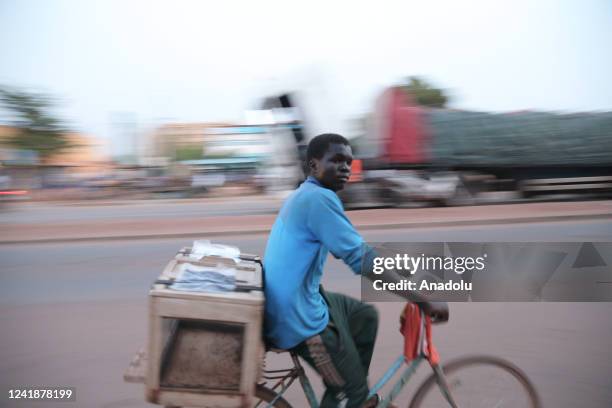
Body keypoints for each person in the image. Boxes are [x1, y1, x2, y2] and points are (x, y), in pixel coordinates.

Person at [263, 133, 448, 408]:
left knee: (365, 317)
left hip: (301, 299)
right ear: (313, 166)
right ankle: (350, 393)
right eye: (336, 160)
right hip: (297, 316)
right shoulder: (319, 201)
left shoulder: (309, 195)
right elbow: (361, 260)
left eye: (349, 162)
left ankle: (345, 390)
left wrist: (411, 273)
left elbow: (360, 248)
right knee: (353, 390)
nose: (345, 168)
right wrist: (421, 298)